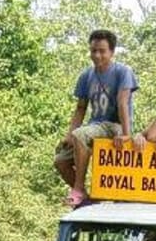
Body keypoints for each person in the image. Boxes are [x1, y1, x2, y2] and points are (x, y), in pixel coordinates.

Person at [54, 29, 139, 208]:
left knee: (80, 135)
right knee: (60, 161)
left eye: (102, 51)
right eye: (93, 51)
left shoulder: (123, 72)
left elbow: (123, 102)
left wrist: (126, 133)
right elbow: (80, 108)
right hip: (95, 126)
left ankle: (77, 189)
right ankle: (87, 198)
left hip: (114, 126)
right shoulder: (86, 76)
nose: (97, 55)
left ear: (112, 52)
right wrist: (69, 135)